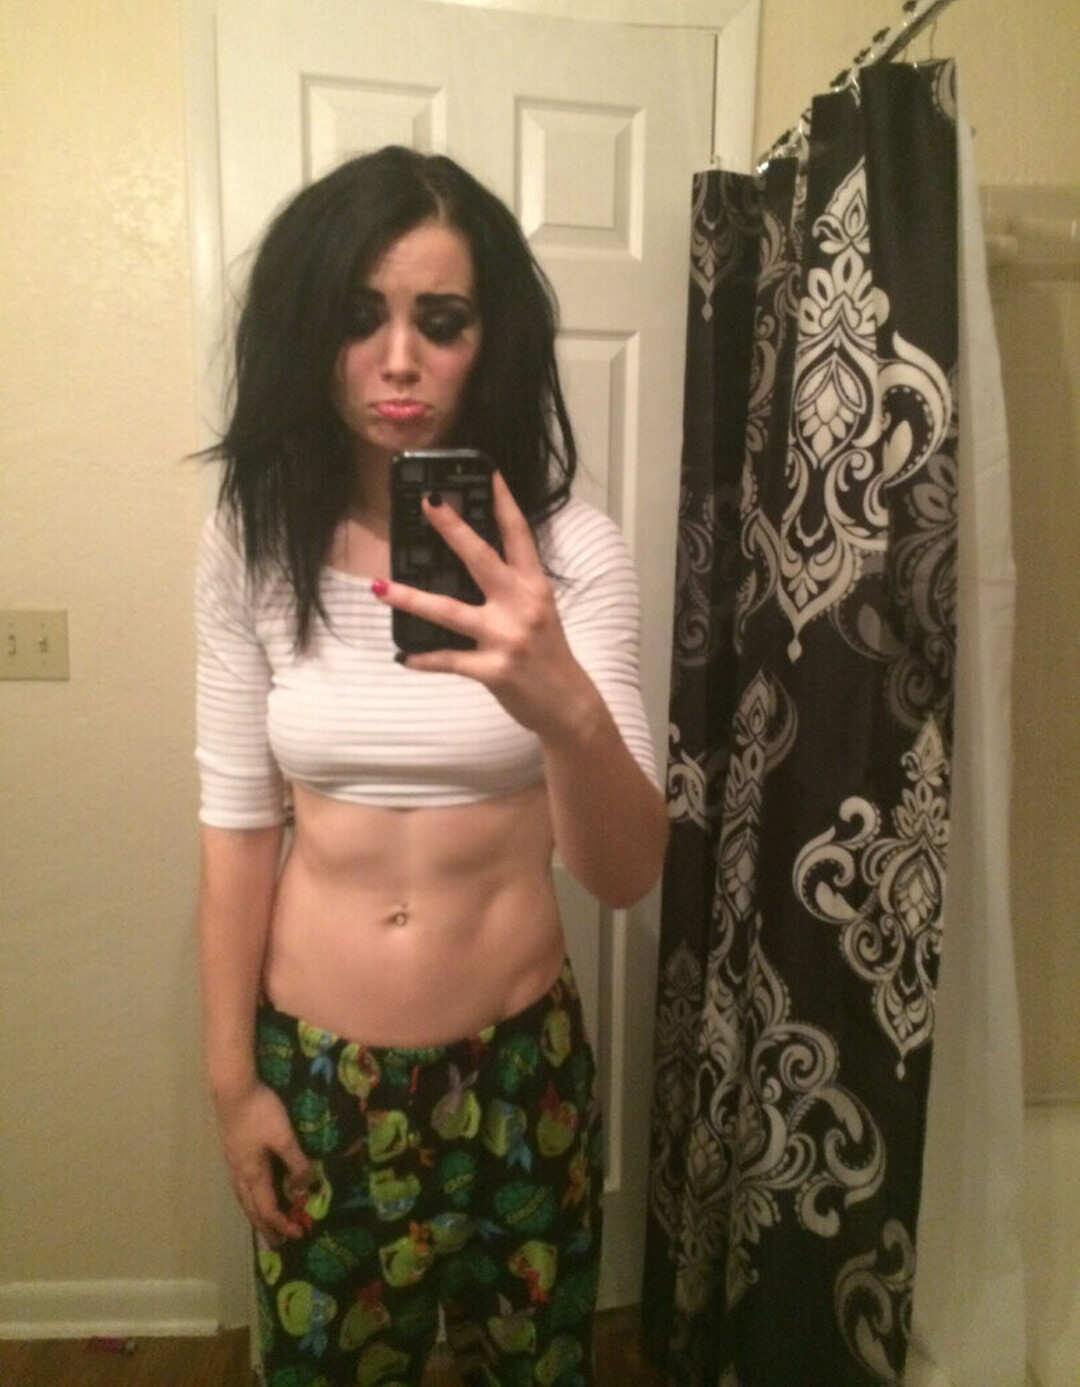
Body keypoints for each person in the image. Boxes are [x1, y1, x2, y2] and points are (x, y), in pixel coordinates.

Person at [195, 145, 667, 1387]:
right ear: (310, 329)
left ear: (487, 337)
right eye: (360, 317)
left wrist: (559, 697)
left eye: (440, 321)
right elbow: (237, 826)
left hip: (519, 1074)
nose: (398, 359)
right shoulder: (255, 539)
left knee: (535, 1369)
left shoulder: (572, 552)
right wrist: (233, 1082)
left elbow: (625, 874)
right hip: (317, 1075)